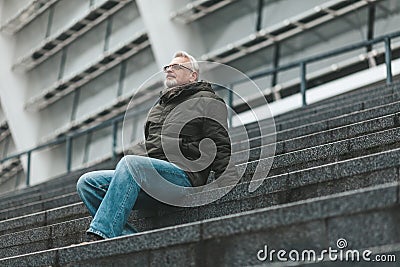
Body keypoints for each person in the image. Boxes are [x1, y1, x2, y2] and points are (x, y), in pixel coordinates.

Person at [76, 51, 236, 241]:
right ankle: (127, 239)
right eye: (167, 67)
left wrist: (227, 178)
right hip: (152, 176)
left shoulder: (208, 100)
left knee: (130, 164)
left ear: (193, 75)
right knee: (87, 183)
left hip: (183, 176)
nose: (169, 70)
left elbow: (219, 141)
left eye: (177, 67)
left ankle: (102, 234)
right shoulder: (159, 106)